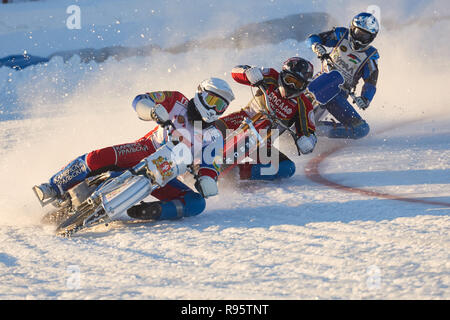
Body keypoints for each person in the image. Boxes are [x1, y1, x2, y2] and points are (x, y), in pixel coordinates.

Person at [33, 77, 235, 221]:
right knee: (97, 158)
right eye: (212, 101)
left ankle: (153, 211)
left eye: (221, 107)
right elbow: (140, 100)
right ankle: (54, 186)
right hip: (144, 150)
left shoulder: (214, 136)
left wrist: (207, 179)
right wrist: (153, 111)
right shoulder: (177, 100)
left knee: (197, 203)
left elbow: (211, 164)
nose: (214, 109)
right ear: (200, 93)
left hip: (167, 172)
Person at [215, 57, 317, 181]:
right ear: (282, 75)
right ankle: (190, 155)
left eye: (298, 84)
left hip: (264, 141)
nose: (291, 86)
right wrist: (248, 73)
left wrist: (307, 141)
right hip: (241, 119)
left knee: (287, 168)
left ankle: (238, 173)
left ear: (304, 85)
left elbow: (308, 132)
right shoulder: (271, 76)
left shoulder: (304, 105)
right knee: (207, 129)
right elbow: (235, 72)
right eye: (289, 80)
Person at [306, 12, 380, 139]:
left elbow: (371, 82)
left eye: (365, 36)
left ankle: (319, 130)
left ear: (371, 38)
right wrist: (317, 46)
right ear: (352, 28)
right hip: (318, 81)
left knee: (361, 129)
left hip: (339, 94)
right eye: (358, 33)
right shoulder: (341, 35)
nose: (359, 39)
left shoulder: (370, 57)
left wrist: (365, 99)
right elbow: (313, 38)